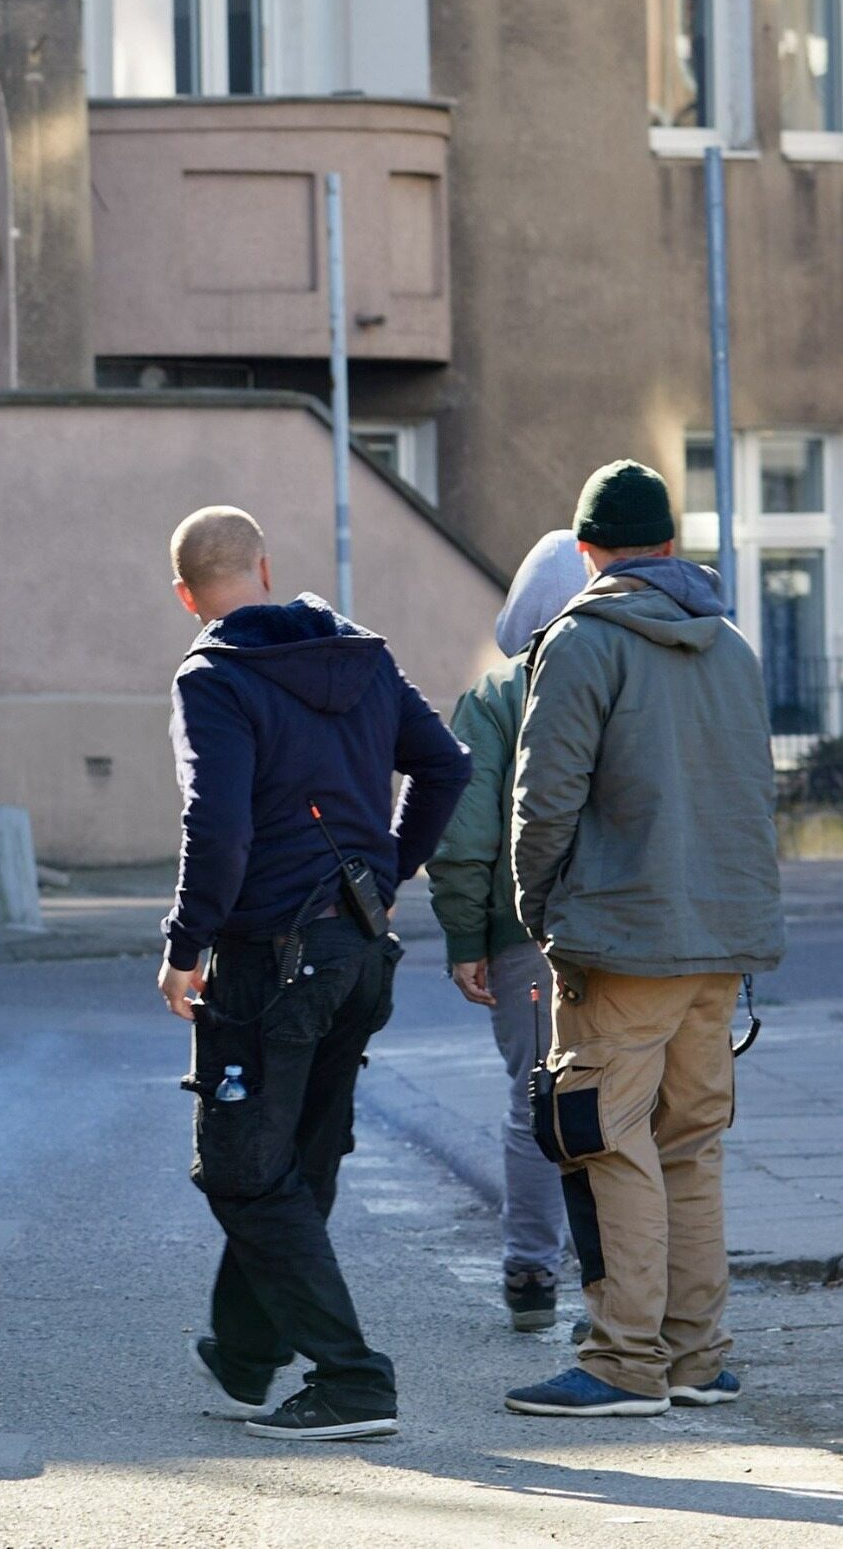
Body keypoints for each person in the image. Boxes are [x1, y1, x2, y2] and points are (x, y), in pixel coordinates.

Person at [158, 506, 470, 1443]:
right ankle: (250, 1352)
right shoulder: (360, 655)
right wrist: (388, 873)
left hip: (270, 957)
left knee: (245, 1173)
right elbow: (445, 766)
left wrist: (183, 944)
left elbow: (218, 826)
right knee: (299, 1155)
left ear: (185, 593)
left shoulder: (214, 674)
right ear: (265, 564)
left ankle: (352, 1380)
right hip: (360, 952)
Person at [503, 461, 784, 1419]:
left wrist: (540, 912)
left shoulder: (583, 639)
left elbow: (544, 799)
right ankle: (697, 1355)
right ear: (670, 545)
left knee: (605, 1140)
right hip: (719, 942)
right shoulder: (732, 645)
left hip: (621, 941)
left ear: (587, 551)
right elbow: (756, 797)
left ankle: (623, 1361)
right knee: (691, 1147)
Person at [427, 531, 589, 1332]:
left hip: (528, 935)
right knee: (633, 1105)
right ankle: (627, 1289)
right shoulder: (635, 677)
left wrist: (465, 938)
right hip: (636, 928)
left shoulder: (495, 698)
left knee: (540, 1102)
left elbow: (463, 835)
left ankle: (531, 1274)